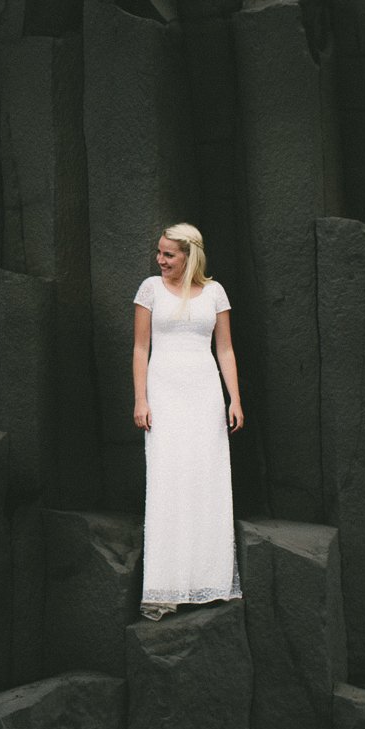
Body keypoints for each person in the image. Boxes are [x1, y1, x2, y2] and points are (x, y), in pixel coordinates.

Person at [131, 222, 244, 620]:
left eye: (168, 254)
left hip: (204, 394)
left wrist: (235, 399)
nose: (160, 260)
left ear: (188, 255)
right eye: (159, 253)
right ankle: (165, 583)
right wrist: (141, 398)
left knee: (206, 478)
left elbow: (225, 349)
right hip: (164, 394)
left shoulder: (214, 293)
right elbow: (140, 347)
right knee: (167, 480)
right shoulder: (149, 289)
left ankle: (208, 580)